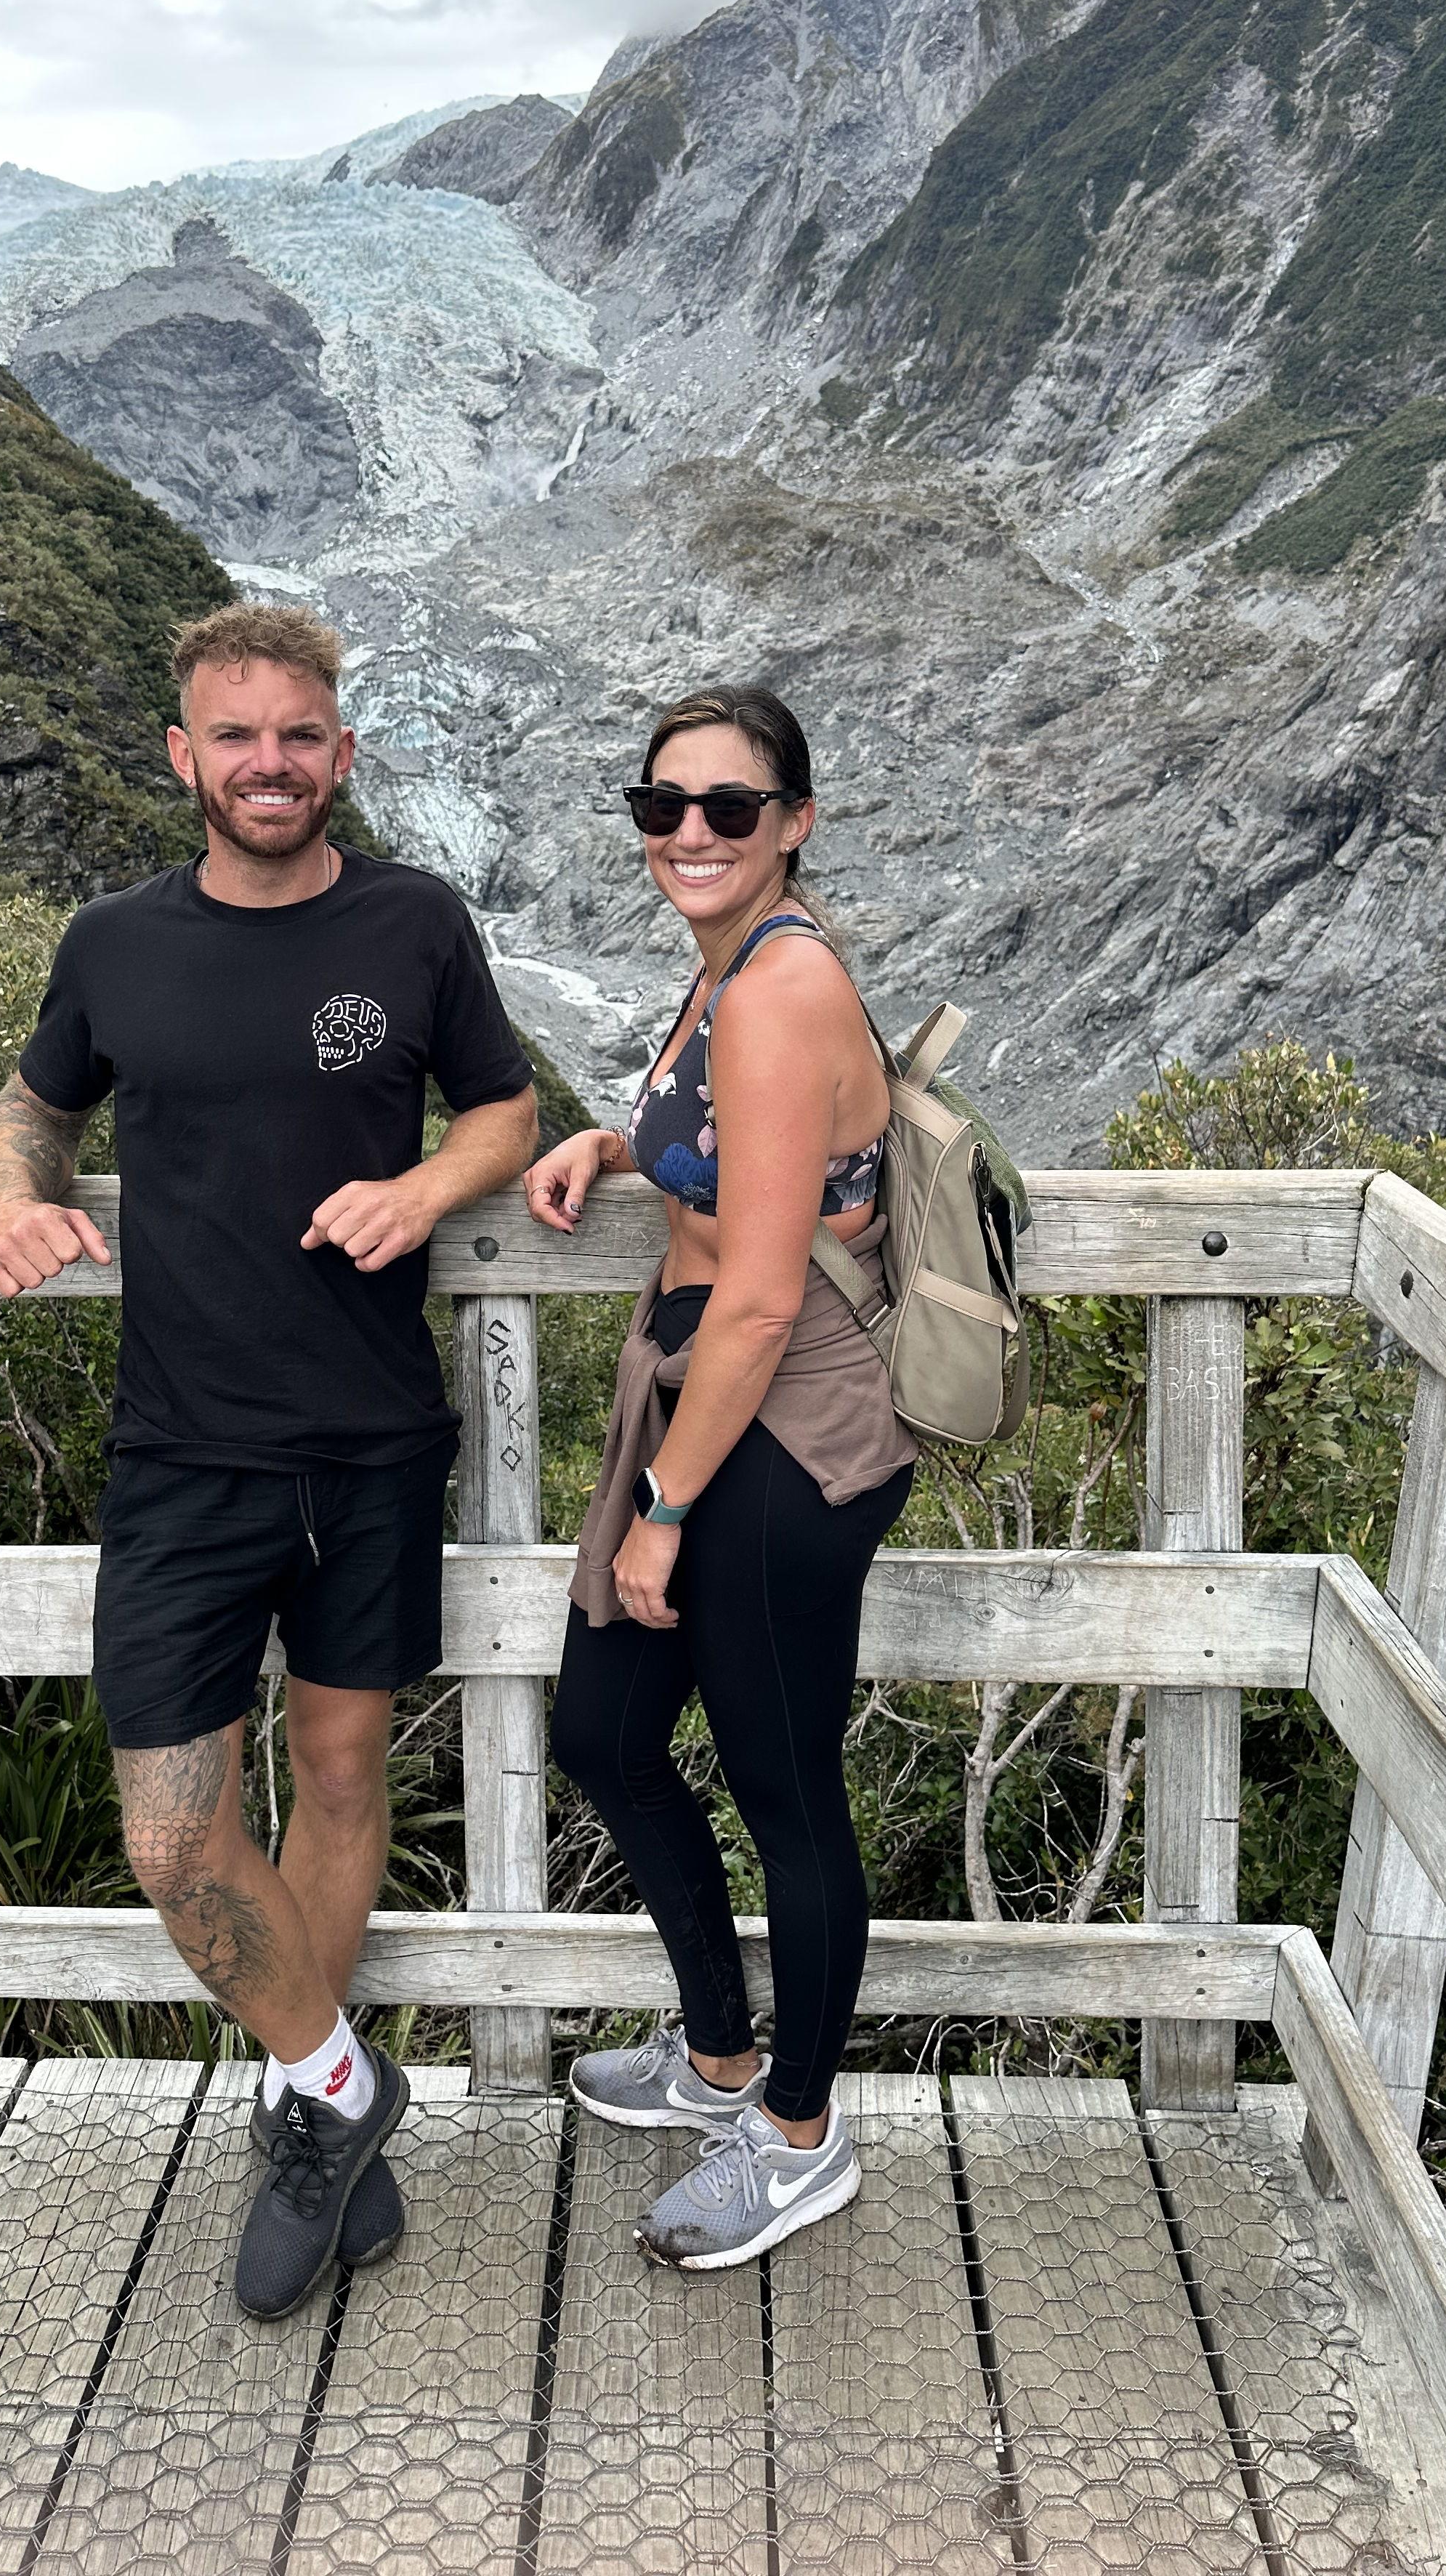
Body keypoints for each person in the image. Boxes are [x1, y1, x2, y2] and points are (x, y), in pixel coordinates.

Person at [0, 602, 537, 2319]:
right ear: (186, 757)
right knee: (171, 1835)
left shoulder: (414, 922)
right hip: (184, 1451)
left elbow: (507, 1110)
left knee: (346, 1776)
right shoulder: (114, 943)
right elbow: (34, 1100)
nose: (270, 764)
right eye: (238, 736)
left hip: (372, 1439)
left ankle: (304, 2118)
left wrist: (429, 1187)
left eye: (299, 735)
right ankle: (347, 2083)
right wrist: (10, 1194)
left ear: (341, 753)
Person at [522, 683, 917, 2269]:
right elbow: (745, 1155)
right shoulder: (728, 972)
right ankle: (721, 2054)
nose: (689, 832)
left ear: (794, 825)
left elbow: (761, 1296)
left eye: (729, 809)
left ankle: (801, 2130)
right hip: (701, 1393)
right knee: (602, 1731)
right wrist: (612, 1148)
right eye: (662, 805)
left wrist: (665, 1518)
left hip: (784, 1426)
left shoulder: (777, 989)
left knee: (786, 1790)